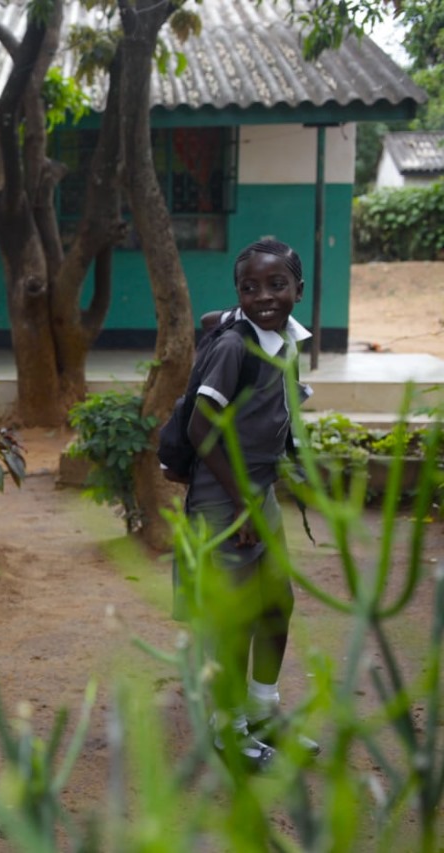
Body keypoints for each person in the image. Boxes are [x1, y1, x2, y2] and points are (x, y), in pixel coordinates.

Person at [181, 238, 320, 769]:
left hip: (258, 491)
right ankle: (231, 729)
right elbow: (200, 427)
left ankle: (264, 712)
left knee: (277, 603)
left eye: (276, 284)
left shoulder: (285, 337)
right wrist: (241, 507)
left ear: (297, 290)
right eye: (250, 287)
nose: (263, 295)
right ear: (239, 292)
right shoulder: (235, 347)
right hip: (227, 497)